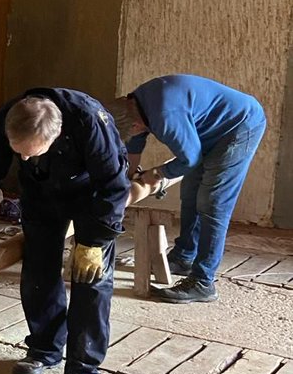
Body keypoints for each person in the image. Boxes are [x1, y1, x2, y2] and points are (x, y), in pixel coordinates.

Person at [0, 89, 129, 374]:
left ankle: (84, 370)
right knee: (38, 272)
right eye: (20, 153)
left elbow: (113, 186)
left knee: (90, 278)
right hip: (41, 192)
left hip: (91, 194)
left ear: (55, 136)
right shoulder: (5, 119)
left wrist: (94, 242)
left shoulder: (90, 122)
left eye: (30, 152)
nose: (23, 158)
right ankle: (44, 350)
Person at [107, 75, 266, 303]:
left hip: (240, 125)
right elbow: (134, 145)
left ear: (135, 125)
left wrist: (158, 173)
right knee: (190, 194)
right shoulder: (134, 105)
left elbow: (189, 160)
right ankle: (183, 257)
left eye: (131, 132)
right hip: (209, 129)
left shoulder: (164, 116)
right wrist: (128, 177)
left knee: (212, 201)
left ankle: (203, 282)